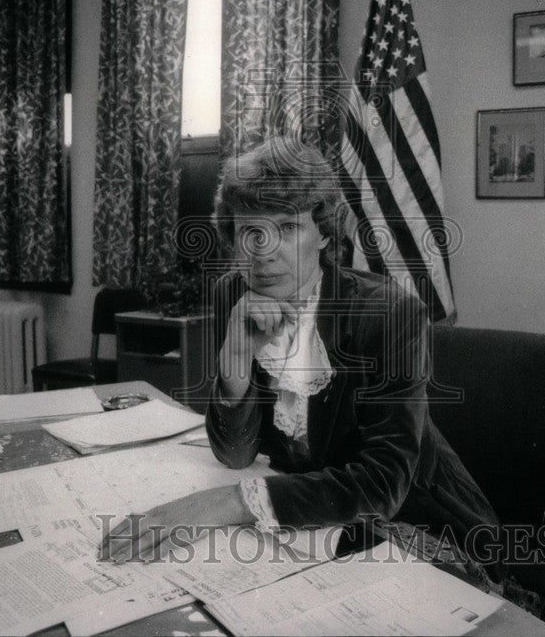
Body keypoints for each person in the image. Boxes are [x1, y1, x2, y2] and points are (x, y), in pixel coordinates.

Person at [101, 136, 503, 582]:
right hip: (302, 529)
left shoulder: (388, 313)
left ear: (325, 233)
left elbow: (383, 482)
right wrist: (235, 359)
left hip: (411, 524)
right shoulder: (233, 293)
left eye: (288, 228)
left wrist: (225, 503)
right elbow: (235, 455)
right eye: (249, 231)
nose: (264, 251)